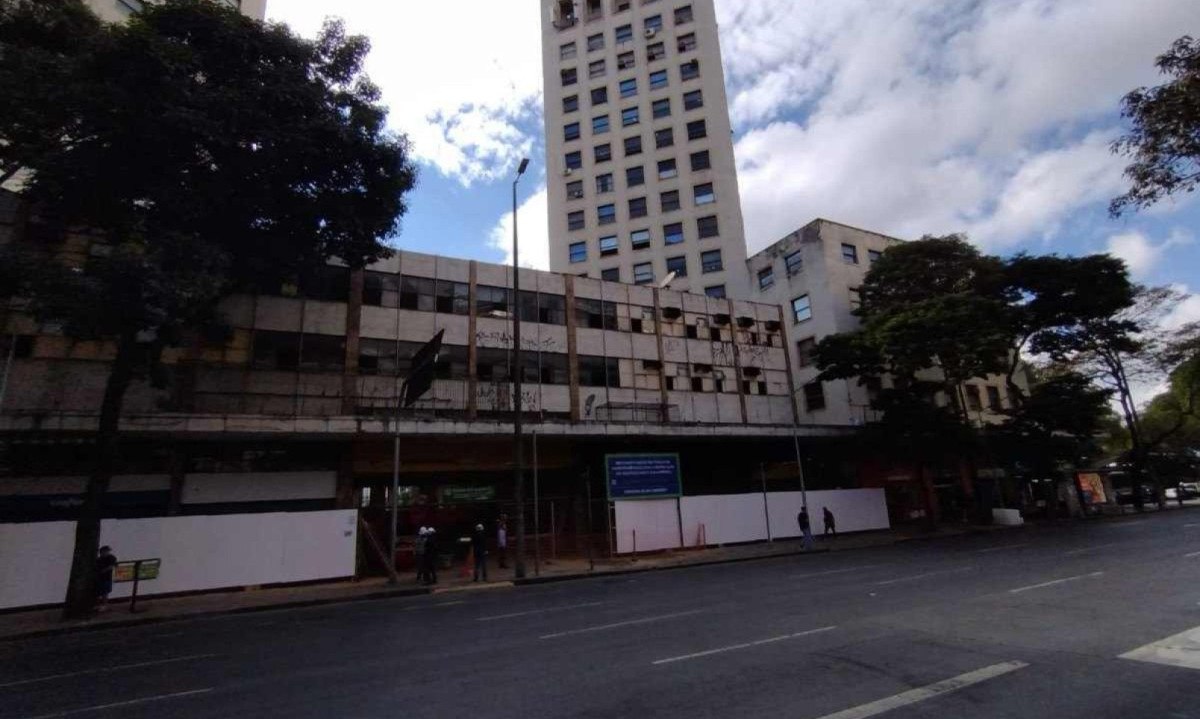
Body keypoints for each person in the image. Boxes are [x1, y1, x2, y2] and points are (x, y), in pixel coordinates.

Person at [96, 546, 117, 611]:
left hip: (107, 577)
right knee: (100, 591)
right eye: (106, 551)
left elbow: (112, 566)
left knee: (105, 592)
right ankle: (100, 605)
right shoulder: (99, 559)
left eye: (107, 551)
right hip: (99, 577)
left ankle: (104, 605)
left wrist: (103, 571)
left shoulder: (111, 558)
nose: (107, 552)